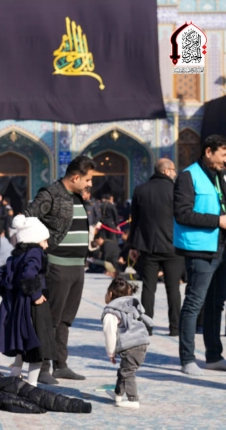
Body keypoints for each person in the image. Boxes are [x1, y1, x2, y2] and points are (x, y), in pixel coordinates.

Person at [25, 156, 95, 384]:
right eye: (88, 179)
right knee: (50, 319)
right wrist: (39, 245)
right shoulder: (51, 194)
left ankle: (60, 364)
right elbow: (27, 218)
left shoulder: (77, 197)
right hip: (57, 266)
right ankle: (42, 367)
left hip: (77, 267)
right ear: (75, 177)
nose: (90, 184)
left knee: (66, 319)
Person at [174, 134, 226, 376]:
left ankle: (214, 356)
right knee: (194, 304)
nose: (225, 160)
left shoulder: (219, 176)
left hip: (221, 249)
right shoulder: (188, 176)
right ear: (208, 151)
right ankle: (187, 359)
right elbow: (182, 214)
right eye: (223, 154)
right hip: (200, 249)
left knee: (216, 304)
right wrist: (218, 221)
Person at [0, 215, 55, 387]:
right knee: (38, 345)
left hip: (19, 304)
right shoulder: (35, 253)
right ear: (35, 239)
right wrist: (36, 295)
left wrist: (11, 289)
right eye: (44, 240)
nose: (46, 245)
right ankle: (31, 385)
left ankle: (15, 374)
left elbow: (1, 274)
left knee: (23, 342)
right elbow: (28, 274)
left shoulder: (18, 255)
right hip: (32, 306)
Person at [129, 158, 183, 337]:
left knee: (148, 288)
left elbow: (135, 221)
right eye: (173, 170)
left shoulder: (141, 190)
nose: (175, 173)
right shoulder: (176, 190)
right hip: (174, 247)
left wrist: (133, 246)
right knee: (173, 289)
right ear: (166, 171)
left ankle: (147, 327)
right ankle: (175, 328)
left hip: (148, 246)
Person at [102, 277, 153, 409]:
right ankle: (118, 394)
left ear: (110, 294)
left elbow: (110, 333)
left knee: (128, 372)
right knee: (124, 370)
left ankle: (133, 399)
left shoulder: (111, 313)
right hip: (142, 342)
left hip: (131, 345)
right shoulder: (131, 306)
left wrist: (111, 352)